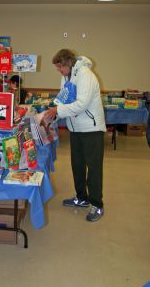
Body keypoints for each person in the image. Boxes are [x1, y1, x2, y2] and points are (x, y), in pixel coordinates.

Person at [44, 49, 106, 222]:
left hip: (91, 129)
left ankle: (97, 205)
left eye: (59, 67)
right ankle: (82, 198)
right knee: (77, 165)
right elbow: (63, 99)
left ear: (67, 63)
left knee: (93, 168)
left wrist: (58, 110)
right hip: (75, 128)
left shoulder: (85, 74)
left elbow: (81, 104)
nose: (58, 70)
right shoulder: (66, 76)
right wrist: (52, 113)